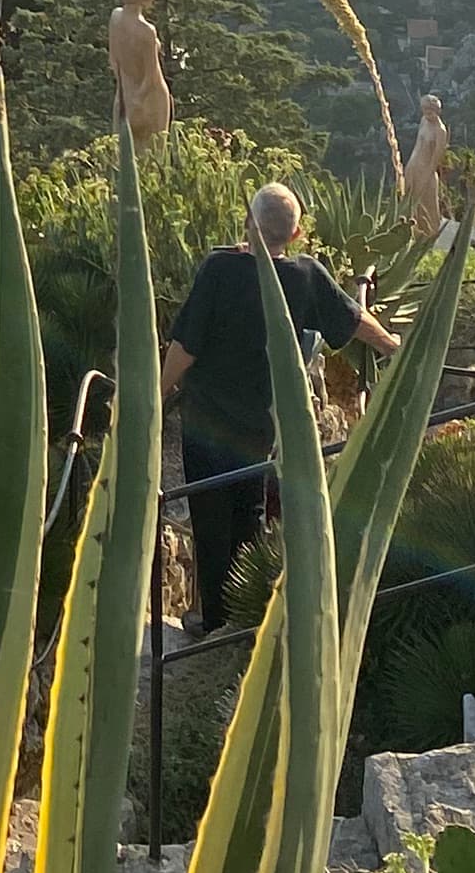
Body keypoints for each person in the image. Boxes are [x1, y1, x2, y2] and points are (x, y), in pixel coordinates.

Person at [160, 182, 398, 633]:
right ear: (296, 235)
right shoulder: (305, 277)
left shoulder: (219, 269)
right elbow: (352, 317)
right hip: (260, 426)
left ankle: (212, 620)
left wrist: (156, 395)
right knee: (248, 517)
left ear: (249, 222)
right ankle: (244, 618)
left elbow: (185, 347)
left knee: (210, 520)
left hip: (205, 421)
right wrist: (392, 345)